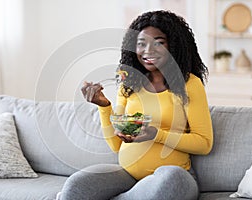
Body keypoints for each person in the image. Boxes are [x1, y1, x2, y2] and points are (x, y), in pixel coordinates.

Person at [60, 10, 213, 200]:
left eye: (159, 42)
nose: (148, 50)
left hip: (172, 177)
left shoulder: (189, 84)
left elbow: (204, 143)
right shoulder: (129, 83)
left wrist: (156, 134)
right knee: (77, 186)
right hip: (128, 175)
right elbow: (117, 145)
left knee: (171, 181)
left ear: (173, 46)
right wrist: (104, 106)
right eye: (141, 44)